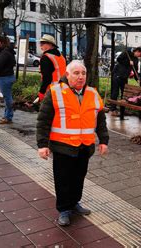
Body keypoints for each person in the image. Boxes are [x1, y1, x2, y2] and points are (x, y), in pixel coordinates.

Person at [36, 60, 109, 226]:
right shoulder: (55, 92)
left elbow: (101, 120)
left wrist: (103, 140)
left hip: (85, 146)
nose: (81, 77)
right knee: (63, 179)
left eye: (83, 73)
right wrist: (42, 145)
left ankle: (75, 202)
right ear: (67, 75)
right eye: (76, 73)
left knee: (78, 177)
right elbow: (43, 121)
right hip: (63, 147)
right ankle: (63, 209)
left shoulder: (92, 93)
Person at [0, 35, 16, 125]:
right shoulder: (8, 51)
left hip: (4, 78)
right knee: (7, 97)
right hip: (9, 76)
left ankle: (8, 117)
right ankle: (7, 115)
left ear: (0, 42)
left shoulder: (4, 53)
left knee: (7, 98)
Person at [109, 47, 141, 116]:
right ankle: (113, 109)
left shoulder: (135, 60)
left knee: (124, 94)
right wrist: (128, 62)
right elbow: (119, 59)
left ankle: (122, 110)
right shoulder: (127, 53)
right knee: (115, 92)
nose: (139, 56)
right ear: (137, 51)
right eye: (139, 54)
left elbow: (135, 69)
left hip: (124, 77)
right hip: (117, 75)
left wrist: (137, 79)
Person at [38, 34, 66, 102]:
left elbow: (47, 78)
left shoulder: (46, 57)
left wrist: (41, 92)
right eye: (40, 43)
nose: (40, 45)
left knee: (49, 112)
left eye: (43, 43)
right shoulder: (61, 57)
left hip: (51, 92)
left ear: (50, 44)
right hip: (64, 89)